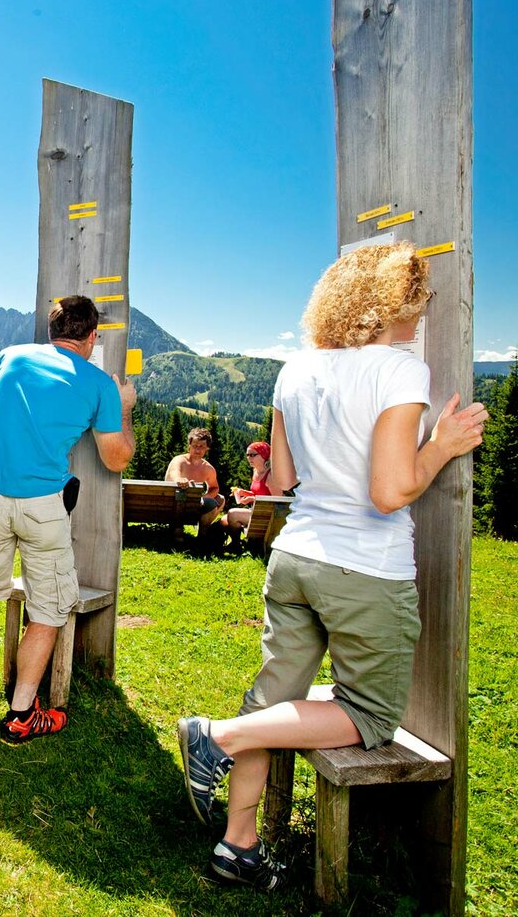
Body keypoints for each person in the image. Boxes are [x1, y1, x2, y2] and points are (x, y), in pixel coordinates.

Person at [176, 242, 487, 890]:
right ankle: (217, 737)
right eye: (419, 297)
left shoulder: (297, 367)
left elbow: (283, 476)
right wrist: (441, 447)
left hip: (296, 557)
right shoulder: (399, 371)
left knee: (274, 698)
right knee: (371, 717)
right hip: (364, 569)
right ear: (395, 301)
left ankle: (239, 846)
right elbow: (390, 490)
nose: (422, 310)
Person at [0, 295, 136, 744]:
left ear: (52, 331)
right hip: (41, 504)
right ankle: (21, 715)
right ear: (92, 337)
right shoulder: (99, 385)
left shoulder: (9, 356)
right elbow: (116, 459)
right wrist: (125, 406)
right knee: (50, 608)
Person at [165, 427, 225, 532]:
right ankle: (176, 529)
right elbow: (174, 474)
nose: (197, 450)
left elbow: (214, 488)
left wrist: (203, 497)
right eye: (194, 446)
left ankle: (202, 534)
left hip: (193, 505)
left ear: (207, 448)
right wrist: (180, 479)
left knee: (220, 499)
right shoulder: (179, 460)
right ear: (189, 446)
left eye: (201, 446)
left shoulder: (208, 468)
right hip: (171, 504)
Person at [222, 441, 273, 550]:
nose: (249, 458)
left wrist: (254, 499)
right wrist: (243, 492)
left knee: (232, 514)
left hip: (267, 516)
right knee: (224, 520)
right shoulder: (256, 472)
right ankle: (240, 543)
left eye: (253, 455)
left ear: (264, 455)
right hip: (256, 511)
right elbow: (258, 493)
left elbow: (278, 501)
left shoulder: (271, 475)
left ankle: (237, 545)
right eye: (247, 455)